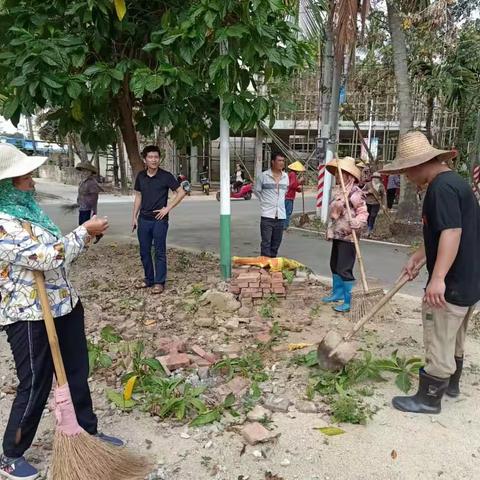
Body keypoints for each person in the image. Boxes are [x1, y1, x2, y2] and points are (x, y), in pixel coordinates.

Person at [0, 144, 121, 480]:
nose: (32, 180)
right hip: (29, 313)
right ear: (5, 184)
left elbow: (60, 256)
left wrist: (83, 239)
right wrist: (83, 232)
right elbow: (45, 257)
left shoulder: (31, 212)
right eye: (23, 176)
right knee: (35, 381)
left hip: (63, 303)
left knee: (76, 370)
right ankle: (11, 453)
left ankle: (86, 432)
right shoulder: (2, 222)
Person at [380, 131, 480, 414]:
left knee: (438, 335)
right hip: (468, 281)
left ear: (417, 164)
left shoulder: (440, 189)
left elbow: (452, 231)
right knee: (454, 336)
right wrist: (420, 256)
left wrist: (437, 279)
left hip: (451, 283)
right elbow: (442, 231)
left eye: (405, 171)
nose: (406, 178)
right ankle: (451, 385)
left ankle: (429, 399)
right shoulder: (456, 183)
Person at [132, 145, 187, 294]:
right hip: (143, 219)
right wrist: (134, 217)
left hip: (159, 220)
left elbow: (181, 192)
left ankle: (159, 282)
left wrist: (167, 208)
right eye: (150, 157)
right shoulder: (141, 176)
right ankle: (148, 279)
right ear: (145, 159)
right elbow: (138, 196)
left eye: (156, 157)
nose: (154, 160)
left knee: (159, 251)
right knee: (144, 251)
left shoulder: (165, 176)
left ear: (159, 159)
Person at [322, 156, 368, 312]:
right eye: (336, 173)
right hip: (337, 234)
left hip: (349, 236)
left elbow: (363, 212)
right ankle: (338, 293)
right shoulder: (338, 191)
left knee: (344, 268)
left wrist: (358, 221)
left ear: (349, 175)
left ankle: (349, 300)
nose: (336, 176)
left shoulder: (355, 193)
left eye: (339, 173)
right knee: (334, 265)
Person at [254, 152, 289, 258]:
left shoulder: (285, 177)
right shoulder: (264, 176)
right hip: (267, 215)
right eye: (279, 160)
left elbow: (285, 192)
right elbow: (256, 191)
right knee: (266, 243)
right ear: (273, 162)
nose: (282, 163)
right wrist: (265, 201)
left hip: (281, 215)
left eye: (283, 161)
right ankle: (264, 266)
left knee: (276, 243)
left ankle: (272, 264)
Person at [76, 161, 103, 244]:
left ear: (90, 172)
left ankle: (84, 241)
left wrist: (94, 210)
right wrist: (78, 201)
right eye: (82, 170)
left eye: (86, 171)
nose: (83, 173)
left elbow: (95, 198)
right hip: (82, 206)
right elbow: (80, 193)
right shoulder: (83, 181)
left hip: (87, 208)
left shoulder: (92, 183)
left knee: (83, 226)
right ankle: (98, 234)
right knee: (83, 225)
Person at [363, 172, 386, 236]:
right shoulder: (368, 184)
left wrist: (384, 205)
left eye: (377, 178)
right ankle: (368, 227)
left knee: (373, 215)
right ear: (372, 178)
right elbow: (361, 192)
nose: (376, 179)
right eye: (374, 177)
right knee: (367, 215)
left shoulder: (381, 186)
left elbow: (383, 195)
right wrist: (368, 192)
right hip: (368, 202)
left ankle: (370, 228)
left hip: (376, 203)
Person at [284, 161, 305, 231]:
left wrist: (298, 189)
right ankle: (285, 226)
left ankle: (284, 225)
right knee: (288, 211)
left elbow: (292, 186)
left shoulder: (292, 174)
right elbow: (292, 185)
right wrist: (299, 181)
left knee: (286, 211)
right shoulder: (292, 174)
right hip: (288, 196)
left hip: (289, 196)